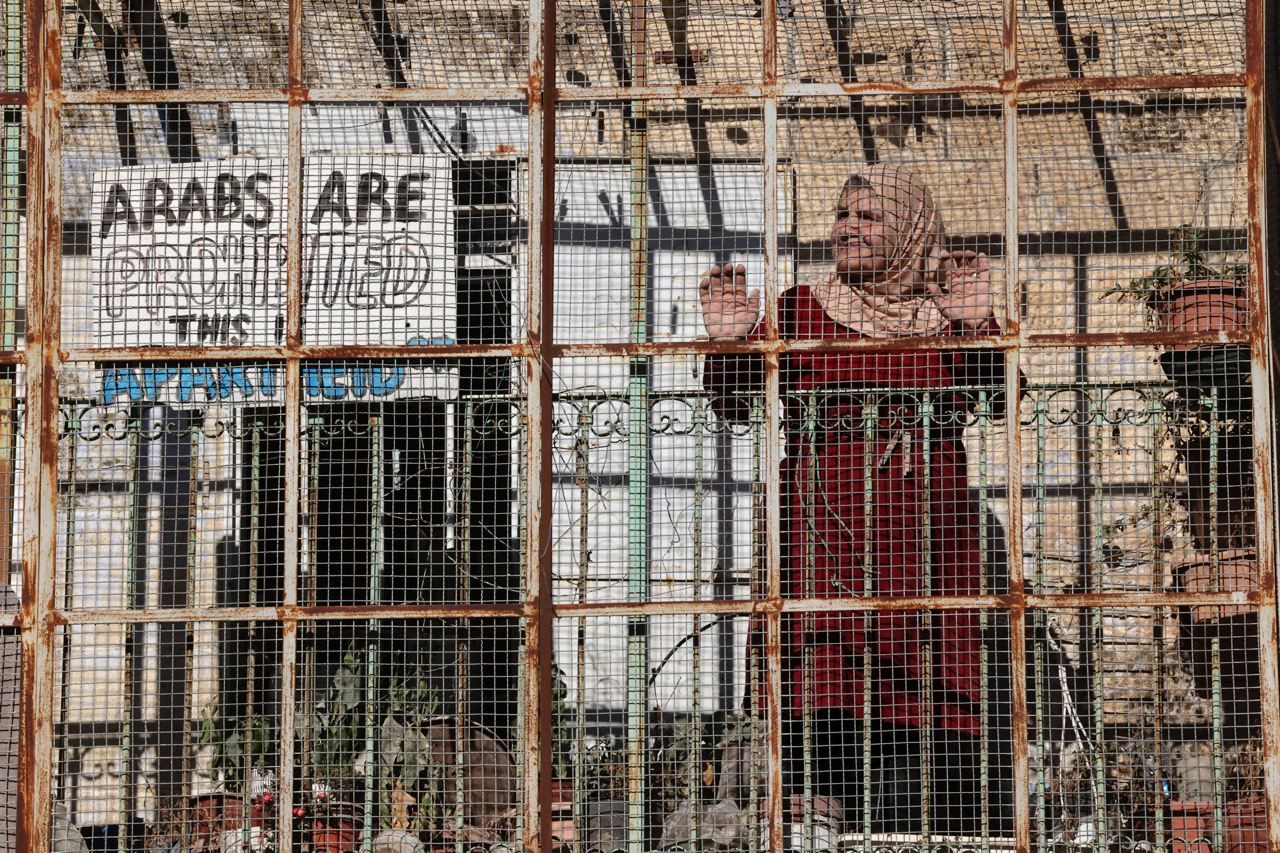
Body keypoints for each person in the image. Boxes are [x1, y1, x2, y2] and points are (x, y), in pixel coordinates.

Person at [699, 165, 1012, 839]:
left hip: (925, 548)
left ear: (907, 230)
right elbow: (734, 403)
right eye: (843, 215)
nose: (848, 228)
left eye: (868, 217)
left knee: (922, 719)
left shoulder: (944, 313)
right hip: (822, 545)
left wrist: (977, 322)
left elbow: (1003, 397)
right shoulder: (801, 309)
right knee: (823, 706)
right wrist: (726, 344)